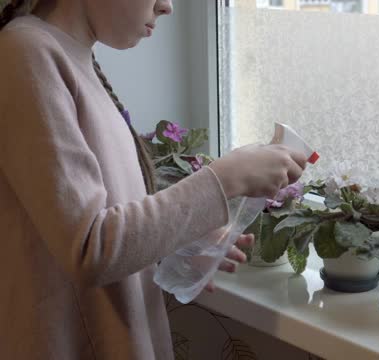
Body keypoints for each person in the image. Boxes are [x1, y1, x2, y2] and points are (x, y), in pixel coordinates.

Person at [0, 0, 307, 359]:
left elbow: (89, 230)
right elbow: (88, 248)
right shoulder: (25, 52)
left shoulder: (73, 58)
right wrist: (224, 179)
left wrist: (176, 243)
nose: (168, 7)